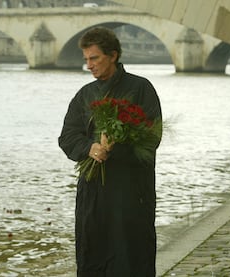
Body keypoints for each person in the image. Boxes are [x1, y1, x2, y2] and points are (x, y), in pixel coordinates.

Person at [58, 27, 162, 276]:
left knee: (131, 256)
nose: (88, 66)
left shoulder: (140, 89)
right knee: (93, 254)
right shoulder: (84, 95)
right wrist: (90, 148)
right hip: (93, 194)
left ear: (113, 55)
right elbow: (67, 137)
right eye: (86, 59)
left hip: (130, 193)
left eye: (94, 58)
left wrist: (113, 150)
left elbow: (151, 139)